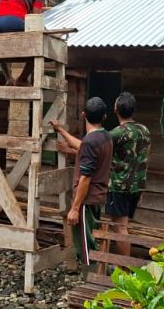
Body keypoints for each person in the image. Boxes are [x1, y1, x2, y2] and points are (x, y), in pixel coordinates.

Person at [50, 97, 112, 269]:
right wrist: (61, 131)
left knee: (85, 248)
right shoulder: (105, 136)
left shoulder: (90, 142)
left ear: (83, 114)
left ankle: (91, 285)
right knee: (92, 240)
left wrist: (75, 208)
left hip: (86, 201)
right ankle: (98, 280)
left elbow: (85, 177)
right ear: (104, 116)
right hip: (97, 198)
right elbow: (83, 146)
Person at [105, 92, 151, 256]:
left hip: (120, 187)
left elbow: (93, 148)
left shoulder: (117, 133)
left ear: (115, 109)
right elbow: (144, 159)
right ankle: (122, 265)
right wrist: (142, 187)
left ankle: (125, 269)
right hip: (136, 187)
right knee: (121, 226)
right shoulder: (144, 130)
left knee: (120, 228)